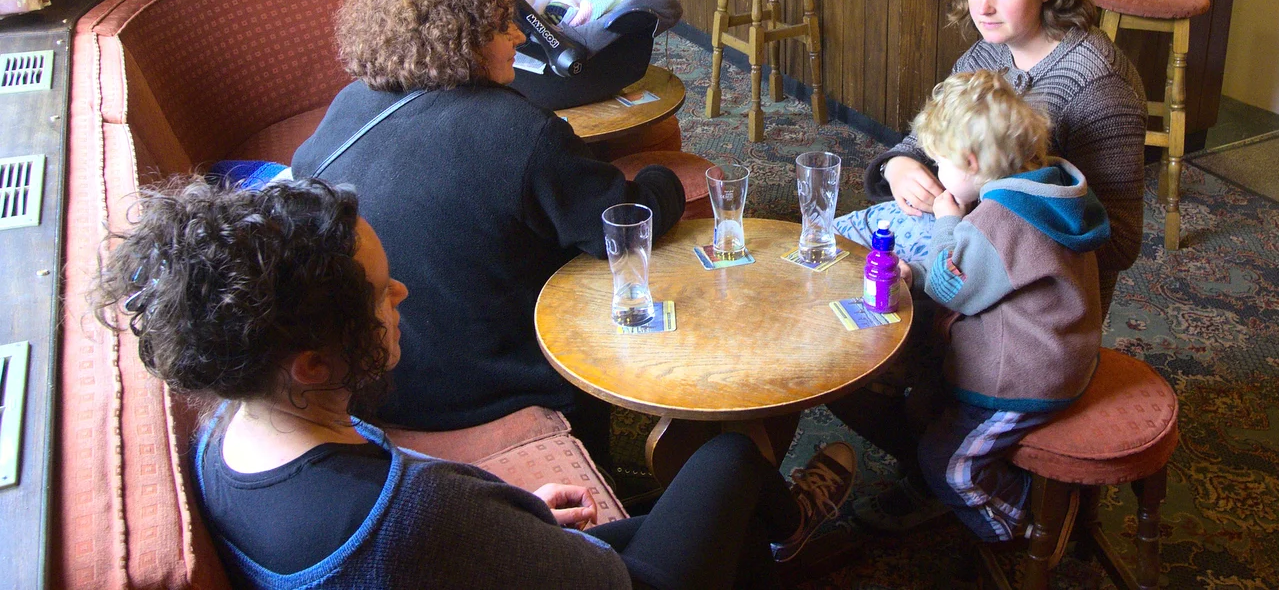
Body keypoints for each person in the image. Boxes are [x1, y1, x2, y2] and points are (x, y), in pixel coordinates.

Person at [92, 178, 856, 590]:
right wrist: (487, 524)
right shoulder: (418, 514)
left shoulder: (228, 438)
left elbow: (431, 531)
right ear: (312, 363)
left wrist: (513, 527)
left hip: (446, 552)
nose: (402, 298)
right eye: (380, 291)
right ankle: (785, 529)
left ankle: (765, 550)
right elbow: (613, 580)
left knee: (682, 513)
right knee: (727, 457)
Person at [290, 0, 685, 463]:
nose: (521, 36)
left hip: (375, 384)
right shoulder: (519, 132)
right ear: (464, 40)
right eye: (505, 26)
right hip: (495, 389)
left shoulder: (348, 104)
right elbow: (625, 223)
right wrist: (664, 177)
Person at [832, 0, 1146, 531]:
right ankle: (934, 453)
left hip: (1034, 305)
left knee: (864, 343)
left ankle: (950, 464)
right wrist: (899, 168)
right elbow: (932, 138)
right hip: (971, 247)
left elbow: (1122, 239)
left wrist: (987, 226)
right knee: (843, 291)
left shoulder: (1098, 82)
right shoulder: (985, 52)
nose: (984, 6)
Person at [879, 70, 1109, 542]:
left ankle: (1028, 523)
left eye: (939, 163)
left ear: (967, 161)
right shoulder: (1049, 189)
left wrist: (947, 223)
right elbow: (988, 272)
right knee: (926, 404)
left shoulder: (998, 220)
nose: (938, 174)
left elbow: (951, 287)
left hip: (1026, 377)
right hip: (1064, 349)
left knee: (945, 463)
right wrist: (920, 271)